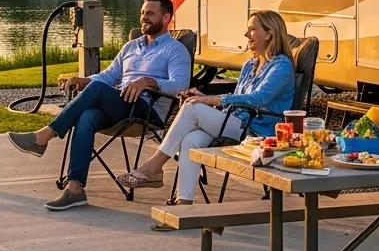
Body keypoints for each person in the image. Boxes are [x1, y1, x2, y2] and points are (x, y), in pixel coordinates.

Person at [7, 0, 191, 211]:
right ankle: (75, 188)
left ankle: (44, 136)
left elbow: (180, 86)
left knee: (96, 92)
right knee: (87, 116)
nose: (144, 18)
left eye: (150, 13)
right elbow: (107, 76)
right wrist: (82, 79)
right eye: (142, 13)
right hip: (121, 105)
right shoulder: (131, 47)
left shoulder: (174, 49)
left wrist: (148, 82)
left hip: (146, 109)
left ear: (166, 17)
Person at [118, 10, 295, 204]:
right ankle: (184, 203)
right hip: (235, 123)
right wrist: (204, 97)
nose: (246, 35)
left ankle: (155, 165)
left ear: (269, 34)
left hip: (256, 131)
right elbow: (238, 100)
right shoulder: (250, 64)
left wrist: (212, 101)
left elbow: (258, 99)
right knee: (190, 140)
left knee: (192, 108)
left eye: (252, 29)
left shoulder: (281, 66)